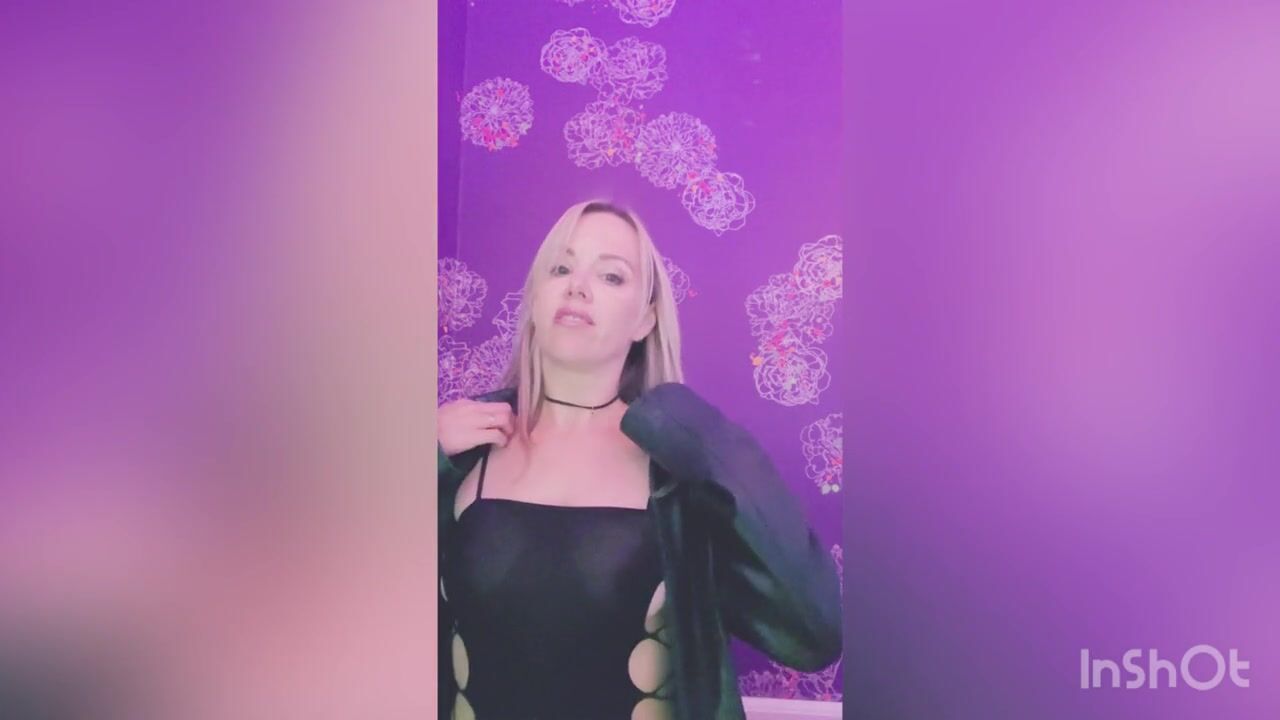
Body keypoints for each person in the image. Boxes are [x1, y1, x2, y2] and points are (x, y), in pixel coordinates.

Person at [437, 200, 841, 720]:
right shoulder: (463, 448)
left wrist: (704, 441)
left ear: (645, 319)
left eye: (611, 276)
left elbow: (814, 632)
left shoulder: (678, 464)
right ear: (535, 298)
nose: (578, 286)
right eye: (560, 268)